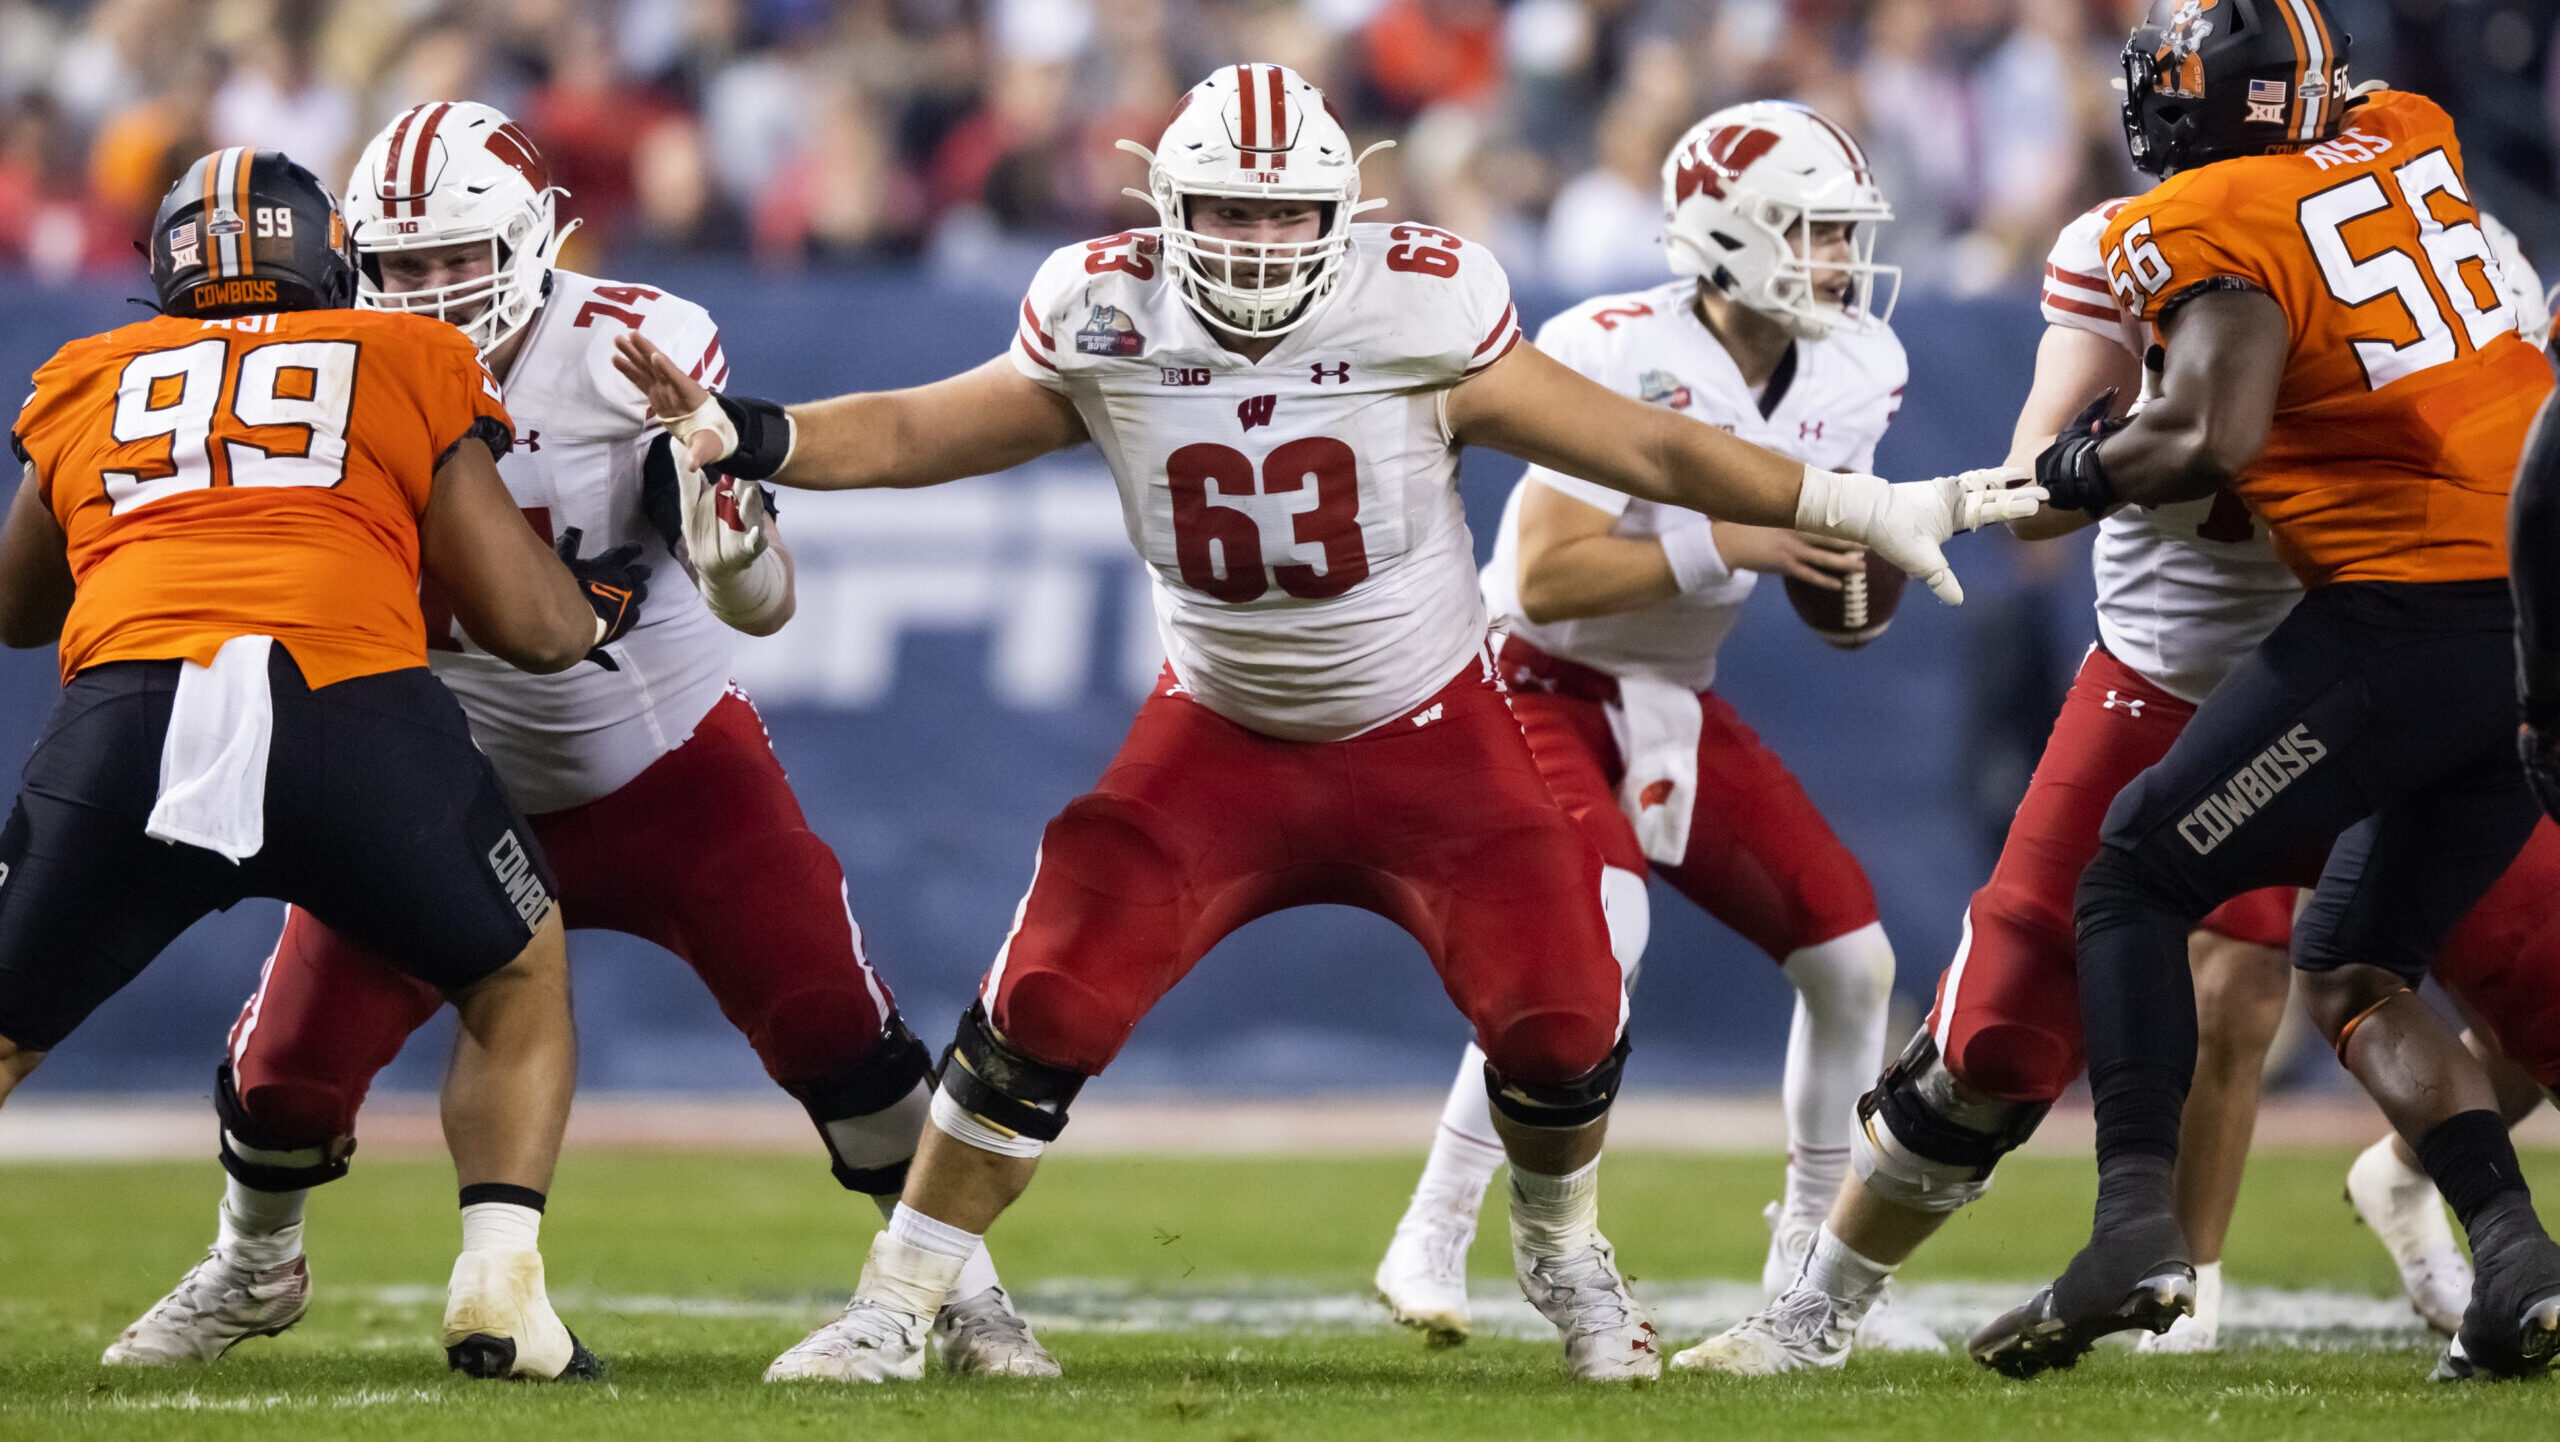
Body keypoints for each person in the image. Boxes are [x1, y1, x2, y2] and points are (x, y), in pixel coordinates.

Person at [617, 63, 2040, 1385]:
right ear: (1160, 210)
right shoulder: (1106, 306)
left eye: (1281, 211)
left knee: (1563, 1012)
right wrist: (757, 430)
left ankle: (1561, 1253)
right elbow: (936, 427)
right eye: (1222, 210)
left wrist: (1857, 501)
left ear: (1343, 211)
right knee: (1042, 998)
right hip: (1219, 729)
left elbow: (1650, 446)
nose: (1247, 239)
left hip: (1429, 731)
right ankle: (897, 1302)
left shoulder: (1419, 303)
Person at [99, 105, 1052, 1378]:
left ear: (541, 240)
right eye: (403, 267)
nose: (433, 294)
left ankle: (962, 1291)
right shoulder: (330, 366)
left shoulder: (628, 350)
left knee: (839, 1030)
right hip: (436, 782)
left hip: (663, 763)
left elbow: (762, 604)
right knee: (283, 1073)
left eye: (459, 261)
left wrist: (736, 545)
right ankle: (250, 1263)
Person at [1966, 3, 2560, 1381]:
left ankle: (2133, 1233)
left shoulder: (2192, 217)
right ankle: (2516, 1260)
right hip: (2535, 593)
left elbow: (2207, 432)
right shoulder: (2412, 131)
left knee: (2130, 874)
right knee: (2353, 958)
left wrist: (2065, 468)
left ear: (2189, 106)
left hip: (2419, 603)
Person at [0, 148, 643, 1380]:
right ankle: (500, 1286)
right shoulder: (406, 358)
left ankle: (282, 1266)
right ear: (331, 258)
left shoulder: (86, 375)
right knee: (514, 972)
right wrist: (598, 598)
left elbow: (21, 609)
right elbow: (534, 628)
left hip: (131, 713)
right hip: (349, 709)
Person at [1371, 100, 1936, 1356]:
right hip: (1534, 682)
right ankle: (1436, 1222)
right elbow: (1549, 576)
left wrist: (1844, 595)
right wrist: (1730, 535)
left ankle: (1811, 1263)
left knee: (1854, 959)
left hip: (1670, 698)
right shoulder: (1614, 346)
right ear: (1728, 234)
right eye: (1811, 231)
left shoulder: (1858, 369)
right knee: (1601, 940)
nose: (1839, 260)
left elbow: (1826, 582)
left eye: (1847, 232)